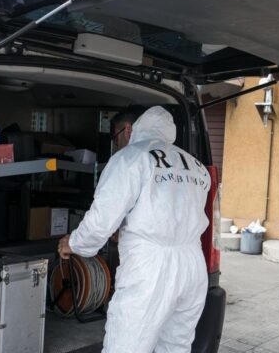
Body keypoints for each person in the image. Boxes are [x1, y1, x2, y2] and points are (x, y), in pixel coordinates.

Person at [58, 106, 210, 353]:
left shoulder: (131, 157)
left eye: (115, 137)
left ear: (129, 130)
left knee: (127, 344)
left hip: (150, 268)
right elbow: (171, 211)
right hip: (193, 266)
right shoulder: (195, 165)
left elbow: (101, 219)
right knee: (176, 345)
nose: (116, 144)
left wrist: (74, 243)